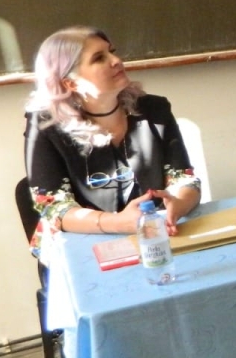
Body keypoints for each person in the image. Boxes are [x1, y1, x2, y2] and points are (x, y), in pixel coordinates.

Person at [24, 26, 200, 255]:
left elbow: (184, 178)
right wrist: (117, 223)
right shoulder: (45, 125)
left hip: (155, 235)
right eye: (99, 58)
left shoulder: (154, 109)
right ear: (70, 83)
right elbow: (54, 207)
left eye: (112, 52)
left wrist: (178, 205)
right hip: (83, 244)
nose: (116, 61)